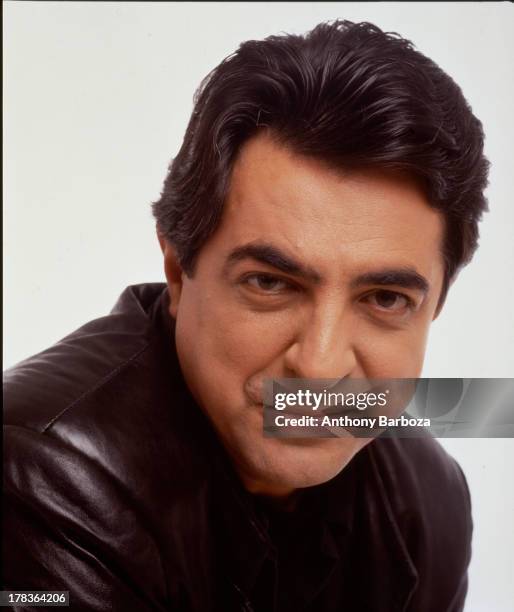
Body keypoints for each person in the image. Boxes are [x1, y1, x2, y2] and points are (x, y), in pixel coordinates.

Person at [3, 19, 489, 612]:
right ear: (178, 269)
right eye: (270, 283)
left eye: (385, 299)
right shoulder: (40, 479)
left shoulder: (430, 501)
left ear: (436, 305)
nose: (319, 366)